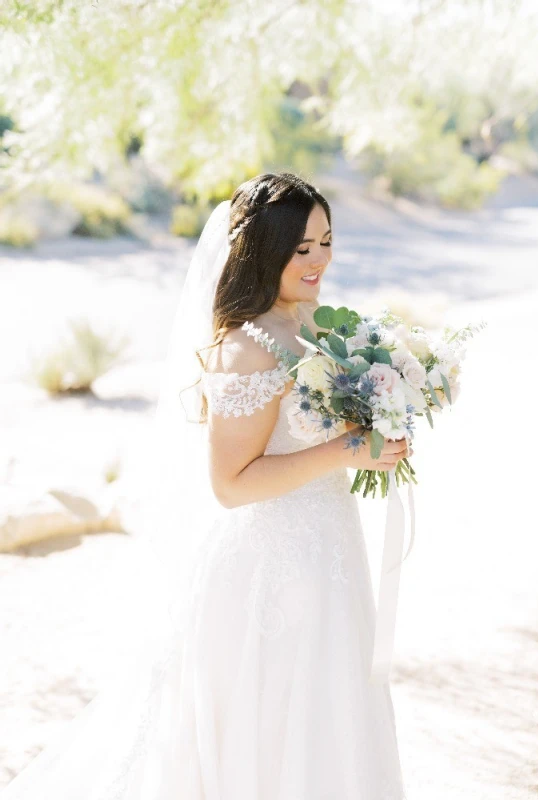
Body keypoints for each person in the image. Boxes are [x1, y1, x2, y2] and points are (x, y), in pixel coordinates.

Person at [1, 172, 410, 799]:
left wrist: (380, 420)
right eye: (302, 249)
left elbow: (311, 437)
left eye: (327, 241)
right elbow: (230, 483)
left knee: (330, 712)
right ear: (264, 252)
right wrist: (344, 449)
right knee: (266, 723)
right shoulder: (244, 349)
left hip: (330, 555)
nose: (319, 259)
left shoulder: (312, 327)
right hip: (267, 567)